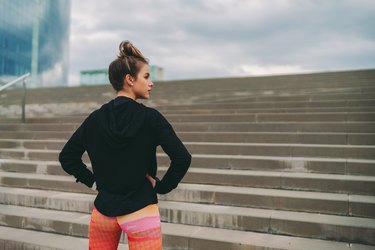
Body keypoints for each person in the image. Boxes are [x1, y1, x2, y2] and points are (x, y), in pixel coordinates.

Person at [59, 40, 192, 250]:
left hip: (103, 210)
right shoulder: (151, 118)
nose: (151, 83)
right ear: (130, 79)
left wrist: (94, 182)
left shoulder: (95, 118)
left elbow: (67, 157)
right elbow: (183, 158)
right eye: (146, 76)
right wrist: (163, 186)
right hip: (141, 211)